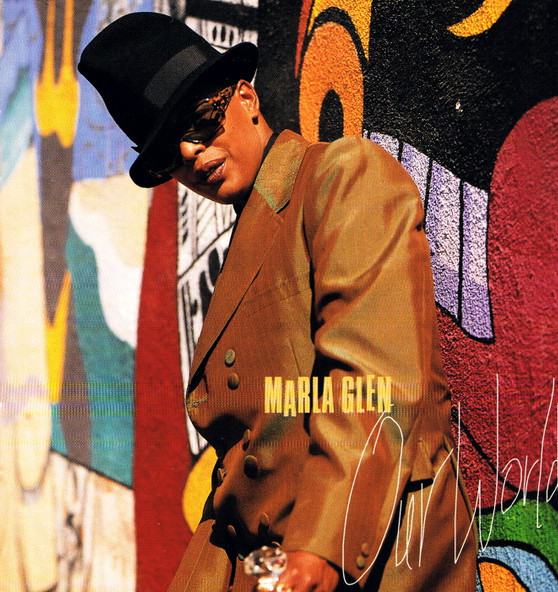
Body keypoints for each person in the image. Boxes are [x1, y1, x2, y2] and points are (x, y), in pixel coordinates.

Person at [79, 12, 477, 592]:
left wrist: (319, 549)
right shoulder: (247, 235)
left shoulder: (340, 177)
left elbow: (373, 382)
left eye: (201, 121)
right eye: (167, 153)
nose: (192, 152)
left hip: (368, 554)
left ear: (246, 97)